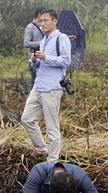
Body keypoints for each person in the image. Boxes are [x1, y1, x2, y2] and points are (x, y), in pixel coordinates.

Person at [21, 9, 71, 162]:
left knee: (52, 126)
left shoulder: (61, 39)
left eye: (45, 20)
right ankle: (41, 149)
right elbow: (37, 67)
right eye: (41, 21)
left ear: (54, 21)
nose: (42, 24)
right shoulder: (43, 41)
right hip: (39, 86)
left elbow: (66, 61)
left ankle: (53, 159)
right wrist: (34, 61)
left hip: (52, 87)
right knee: (27, 119)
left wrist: (46, 57)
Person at [23, 6, 46, 88]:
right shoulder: (30, 27)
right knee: (35, 83)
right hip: (34, 59)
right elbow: (26, 43)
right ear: (39, 15)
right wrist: (41, 43)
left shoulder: (45, 27)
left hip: (44, 58)